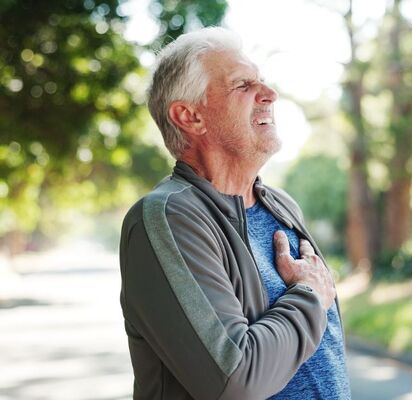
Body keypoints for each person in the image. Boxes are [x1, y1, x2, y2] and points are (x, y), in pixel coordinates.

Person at [119, 27, 351, 400]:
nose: (270, 94)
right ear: (190, 117)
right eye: (243, 85)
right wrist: (308, 294)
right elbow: (235, 381)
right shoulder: (166, 218)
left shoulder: (281, 206)